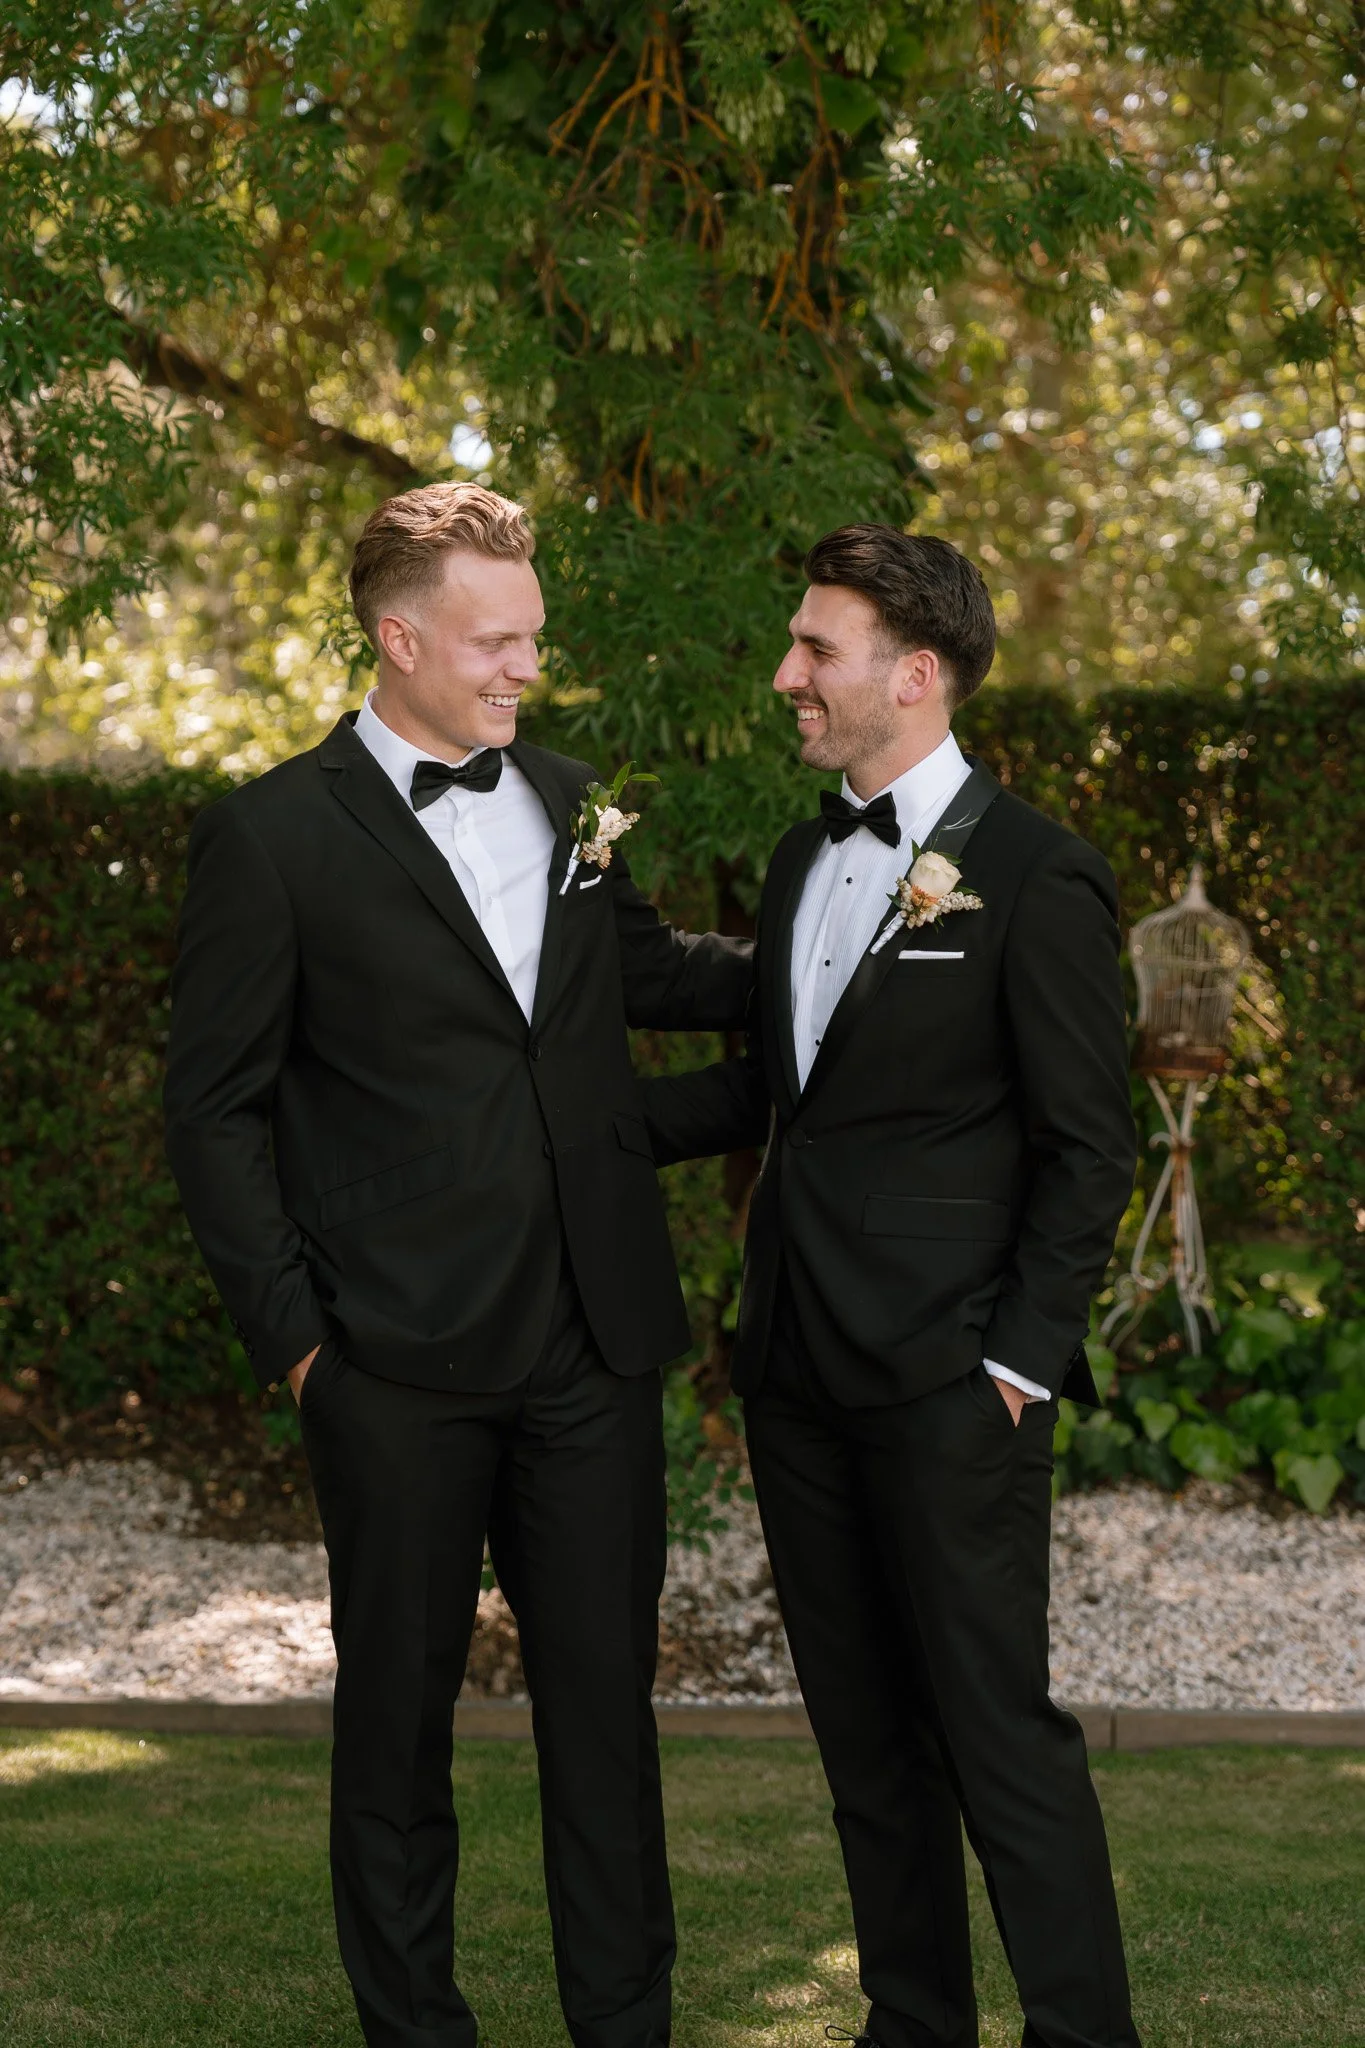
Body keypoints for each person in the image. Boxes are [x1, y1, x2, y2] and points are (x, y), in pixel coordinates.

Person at [164, 481, 752, 2048]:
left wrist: (840, 967)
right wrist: (302, 1351)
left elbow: (652, 979)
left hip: (591, 1354)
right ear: (399, 635)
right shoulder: (270, 839)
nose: (523, 672)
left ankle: (622, 2031)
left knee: (607, 1741)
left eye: (535, 642)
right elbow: (212, 1115)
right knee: (396, 1736)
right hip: (393, 1370)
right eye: (498, 643)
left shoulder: (566, 797)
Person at [640, 525, 1141, 2048]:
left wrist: (1018, 1363)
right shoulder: (807, 857)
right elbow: (775, 1088)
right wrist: (565, 1142)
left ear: (914, 676)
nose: (789, 675)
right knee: (863, 1744)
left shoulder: (1038, 875)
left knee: (997, 1735)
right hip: (793, 1369)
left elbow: (1087, 1147)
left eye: (818, 649)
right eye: (796, 645)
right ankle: (911, 2023)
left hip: (950, 1386)